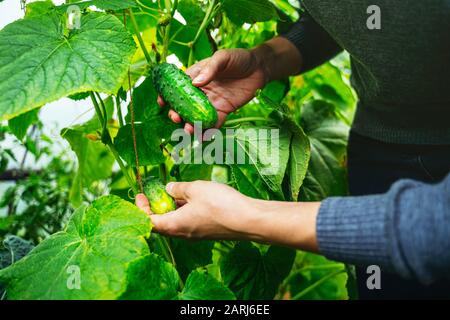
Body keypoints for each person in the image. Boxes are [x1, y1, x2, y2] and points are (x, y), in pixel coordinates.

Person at [140, 1, 450, 299]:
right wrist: (264, 61)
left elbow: (434, 225)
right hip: (376, 144)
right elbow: (344, 18)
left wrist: (246, 218)